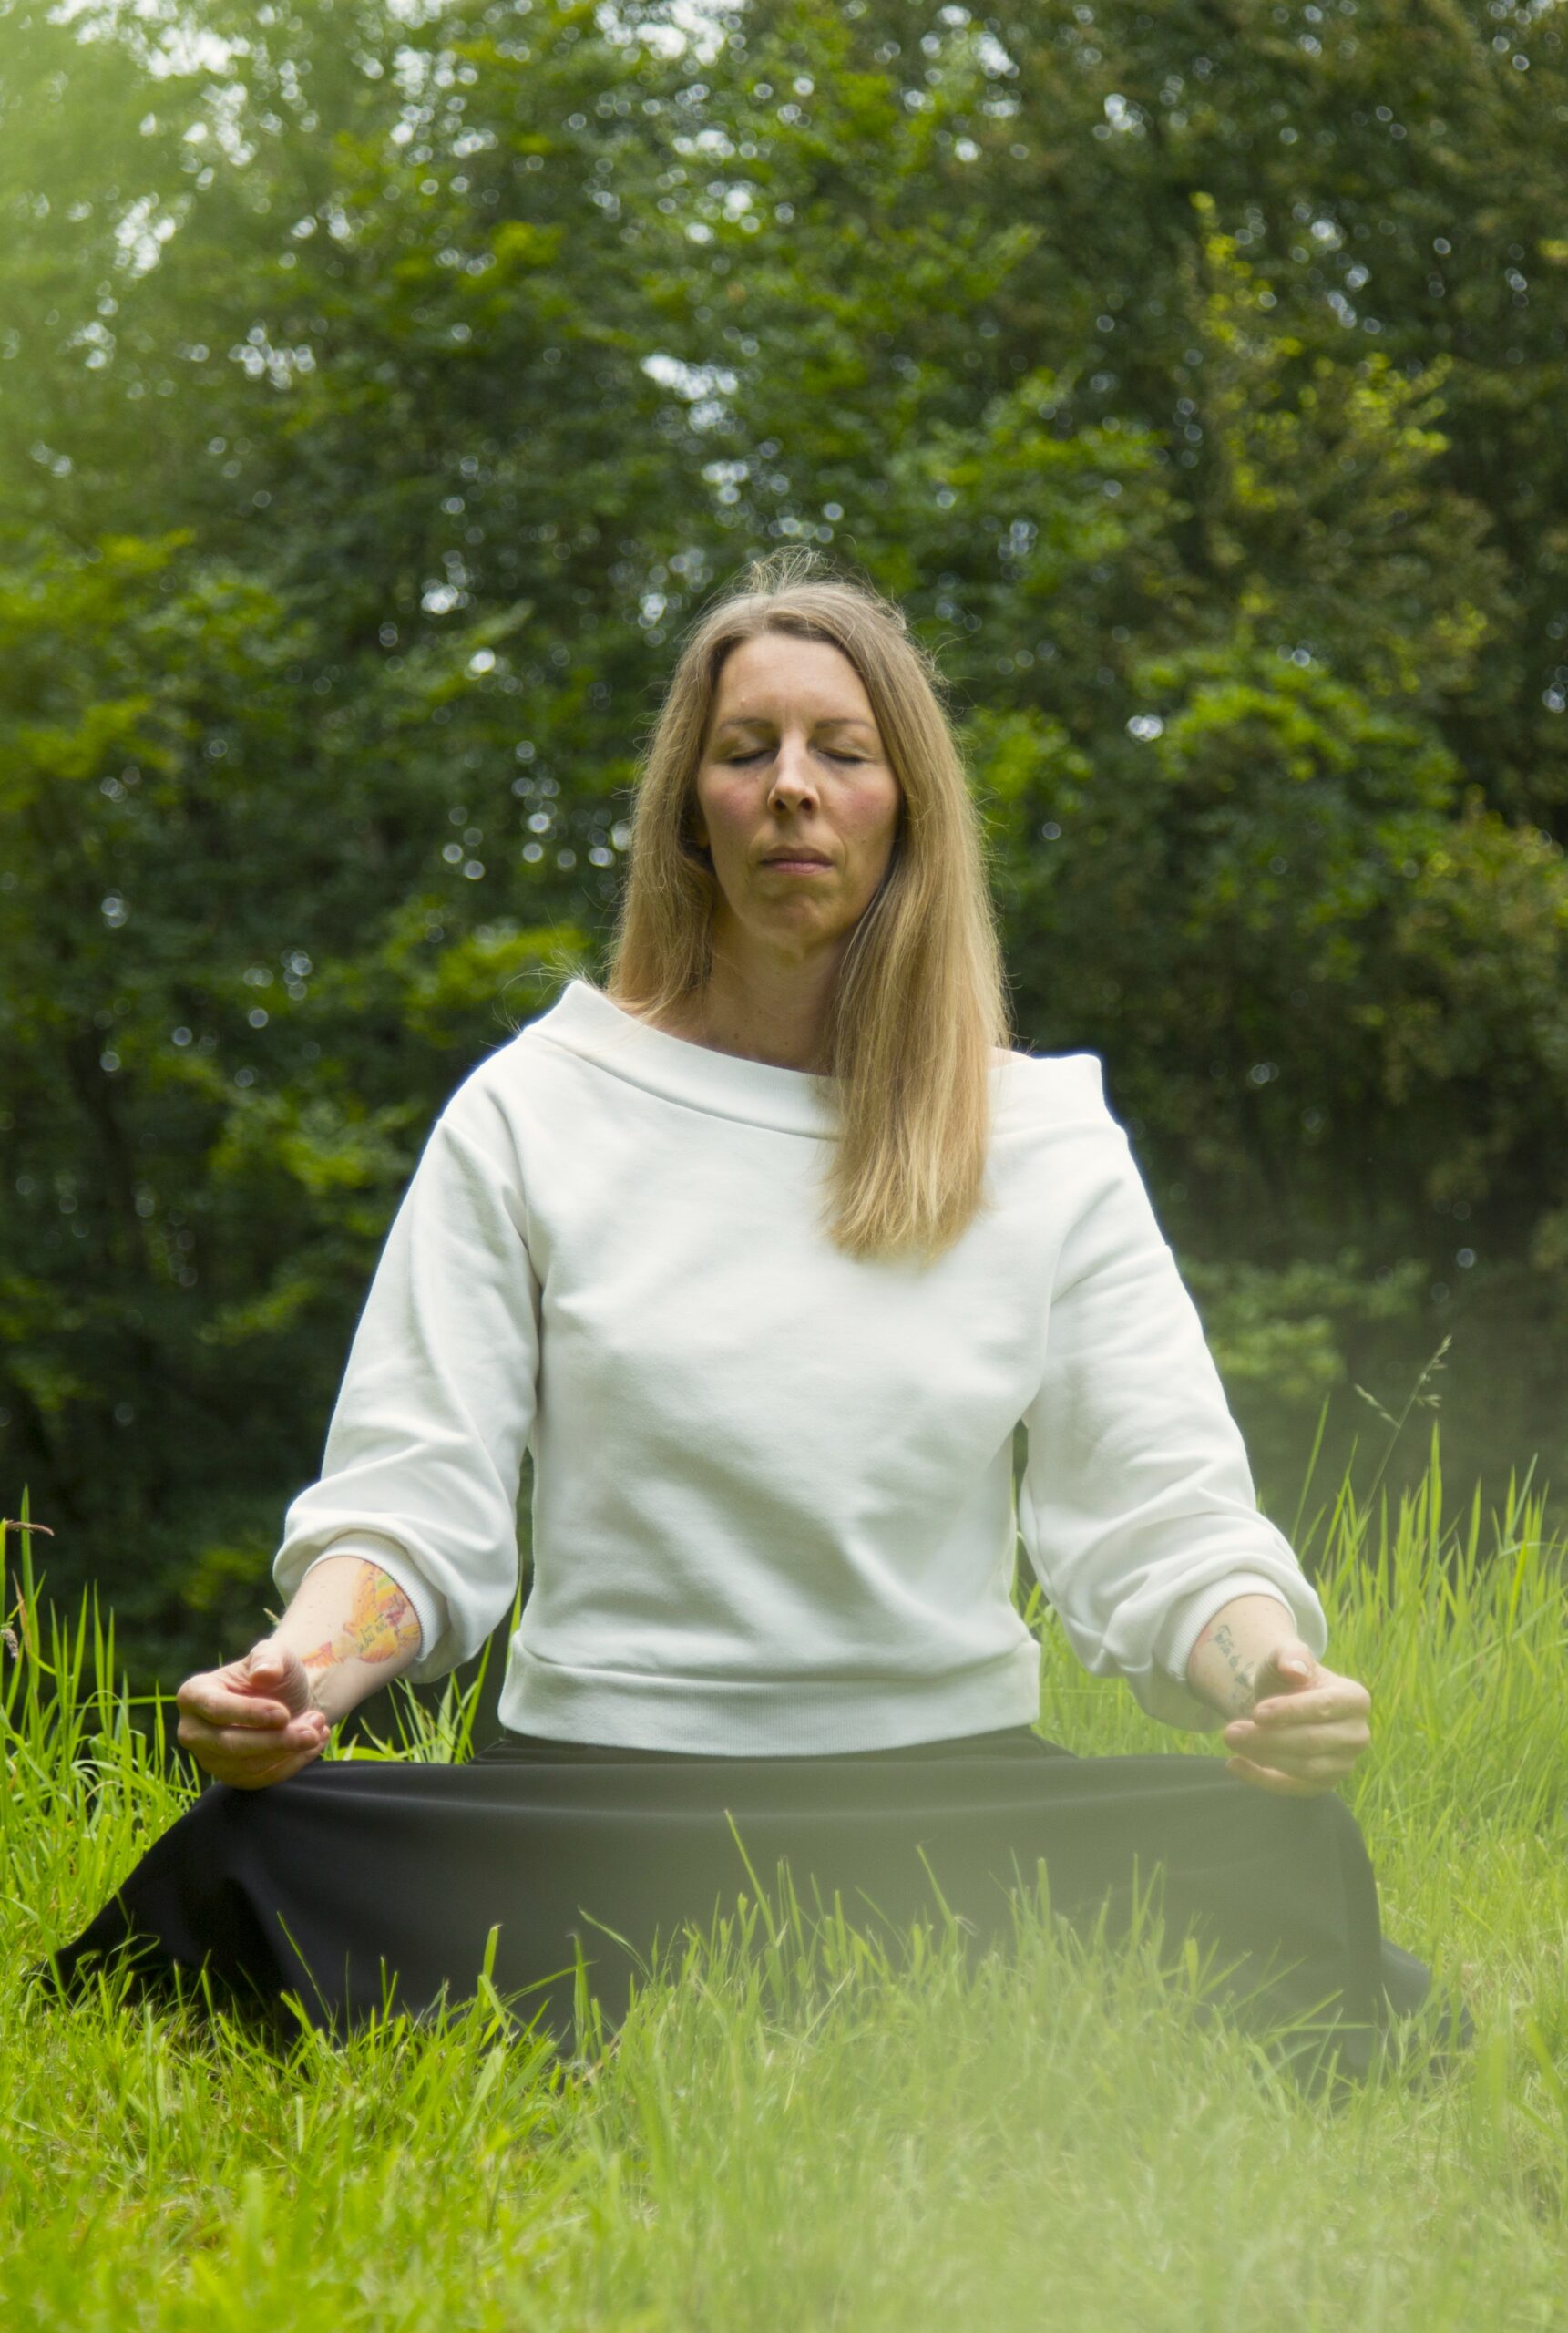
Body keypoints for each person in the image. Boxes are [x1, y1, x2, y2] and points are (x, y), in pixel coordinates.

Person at [45, 550, 1460, 2083]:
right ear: (688, 810)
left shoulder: (1042, 1139)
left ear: (905, 807)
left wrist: (1267, 1676)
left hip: (937, 1808)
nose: (792, 788)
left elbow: (1156, 1517)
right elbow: (414, 1500)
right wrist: (296, 1675)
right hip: (596, 1809)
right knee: (258, 1852)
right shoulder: (535, 1110)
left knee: (1276, 1853)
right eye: (746, 751)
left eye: (840, 753)